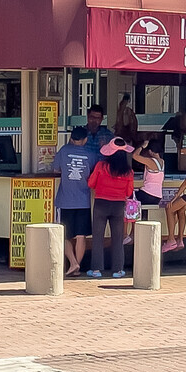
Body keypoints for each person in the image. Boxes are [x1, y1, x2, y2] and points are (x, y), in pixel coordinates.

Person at [52, 111, 109, 275]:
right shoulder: (91, 155)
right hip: (83, 200)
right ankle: (76, 266)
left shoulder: (63, 151)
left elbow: (56, 169)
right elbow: (94, 173)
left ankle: (73, 263)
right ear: (85, 140)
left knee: (64, 234)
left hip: (64, 200)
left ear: (71, 138)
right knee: (81, 236)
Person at [87, 143, 137, 278]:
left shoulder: (100, 166)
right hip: (119, 205)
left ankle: (96, 270)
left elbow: (91, 183)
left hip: (101, 203)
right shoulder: (129, 171)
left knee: (97, 237)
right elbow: (129, 191)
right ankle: (118, 269)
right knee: (118, 237)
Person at [132, 136, 167, 219]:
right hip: (157, 196)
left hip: (147, 195)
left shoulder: (151, 161)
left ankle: (131, 230)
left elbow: (134, 156)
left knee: (130, 200)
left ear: (150, 151)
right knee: (143, 213)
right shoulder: (162, 162)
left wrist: (142, 146)